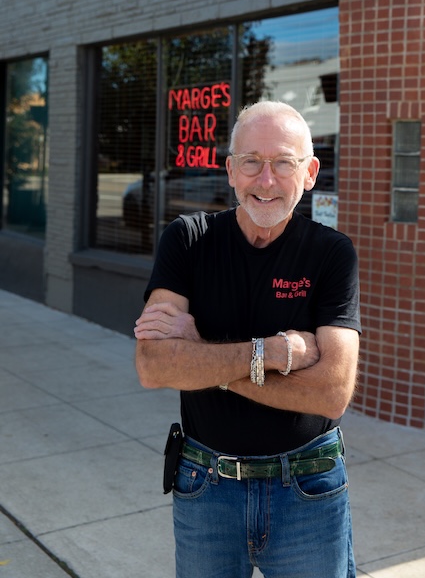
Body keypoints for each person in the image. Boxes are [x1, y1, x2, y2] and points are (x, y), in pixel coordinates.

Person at [135, 100, 361, 578]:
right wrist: (273, 353)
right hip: (206, 487)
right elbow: (154, 365)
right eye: (251, 162)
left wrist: (201, 355)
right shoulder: (188, 240)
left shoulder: (331, 254)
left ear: (310, 173)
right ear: (231, 171)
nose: (266, 179)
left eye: (283, 163)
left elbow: (331, 393)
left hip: (309, 487)